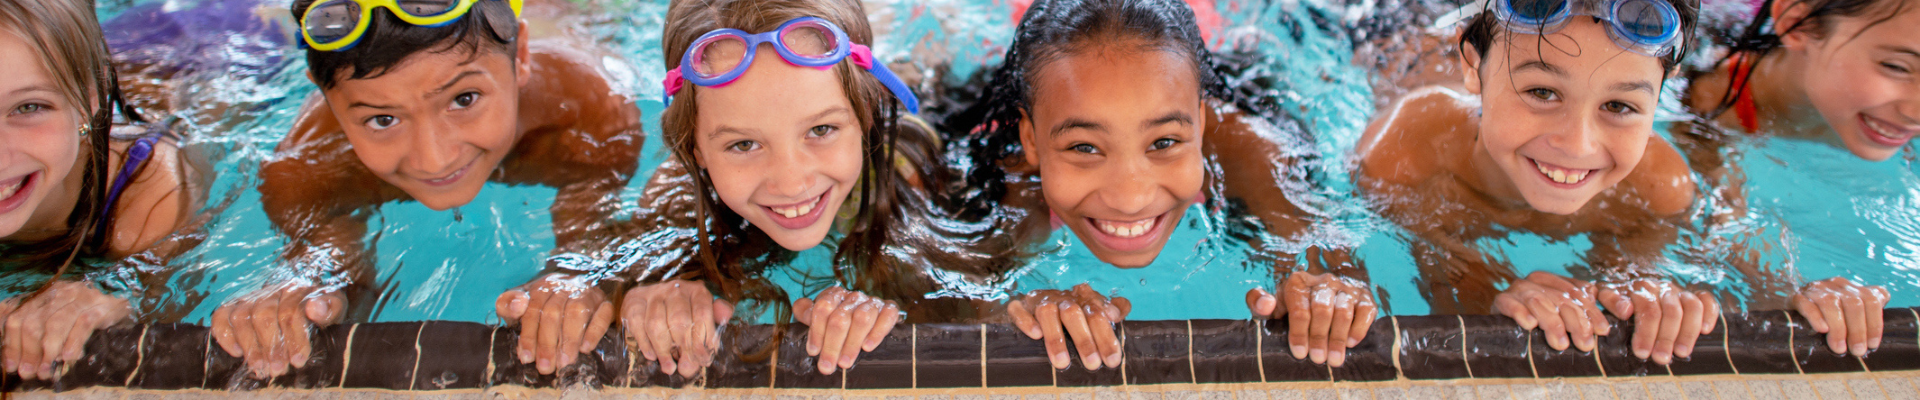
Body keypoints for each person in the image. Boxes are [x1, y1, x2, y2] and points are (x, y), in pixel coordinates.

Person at [208, 0, 644, 378]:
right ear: (325, 96)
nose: (433, 159)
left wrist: (574, 276)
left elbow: (593, 236)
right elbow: (331, 256)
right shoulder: (303, 168)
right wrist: (309, 284)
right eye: (382, 119)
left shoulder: (590, 112)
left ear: (522, 55)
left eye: (465, 98)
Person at [946, 0, 1378, 370]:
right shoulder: (1006, 179)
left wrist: (1323, 293)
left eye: (1164, 142)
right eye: (1084, 147)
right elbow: (969, 306)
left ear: (1202, 123)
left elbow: (1326, 261)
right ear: (1031, 140)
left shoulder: (1249, 149)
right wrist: (1022, 311)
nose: (1131, 198)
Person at [617, 0, 980, 377]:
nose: (791, 183)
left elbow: (967, 301)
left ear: (865, 114)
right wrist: (654, 292)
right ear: (696, 151)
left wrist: (888, 306)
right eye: (743, 144)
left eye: (821, 129)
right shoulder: (675, 189)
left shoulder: (908, 172)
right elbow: (600, 272)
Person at [1355, 0, 1720, 365]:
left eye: (1618, 106)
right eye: (1542, 92)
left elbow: (1630, 278)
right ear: (1472, 63)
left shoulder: (1657, 188)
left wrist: (1647, 298)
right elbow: (1445, 289)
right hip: (1393, 29)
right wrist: (1493, 300)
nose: (1577, 146)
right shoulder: (1409, 153)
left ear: (1661, 93)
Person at [1675, 0, 1906, 357]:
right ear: (1798, 25)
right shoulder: (1705, 106)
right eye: (1896, 66)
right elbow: (1720, 238)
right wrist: (1794, 293)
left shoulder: (1886, 114)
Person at [0, 0, 207, 381]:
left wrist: (112, 299)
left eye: (29, 107)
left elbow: (168, 303)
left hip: (200, 52)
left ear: (89, 104)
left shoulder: (143, 195)